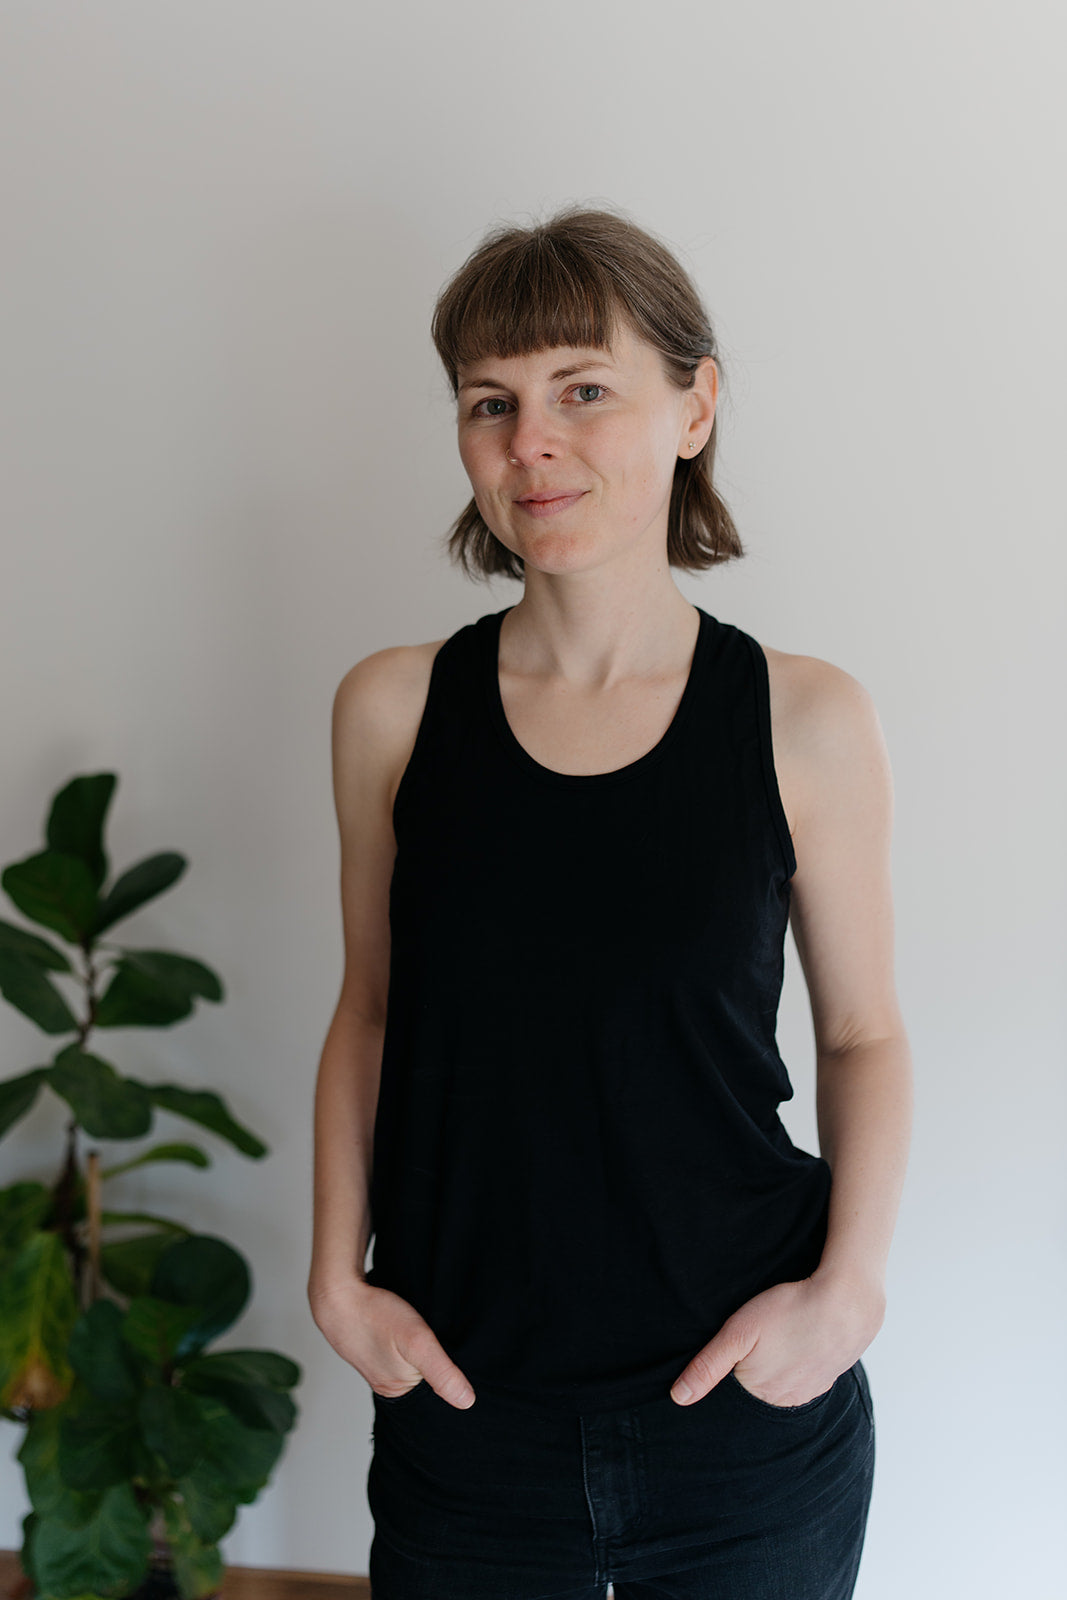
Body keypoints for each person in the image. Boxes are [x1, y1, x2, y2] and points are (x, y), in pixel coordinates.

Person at [307, 204, 913, 1600]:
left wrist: (849, 1292)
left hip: (743, 1410)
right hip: (467, 1411)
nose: (533, 440)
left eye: (585, 389)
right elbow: (371, 1011)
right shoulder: (394, 709)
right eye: (491, 402)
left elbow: (866, 1033)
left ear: (695, 405)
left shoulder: (803, 718)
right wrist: (338, 1281)